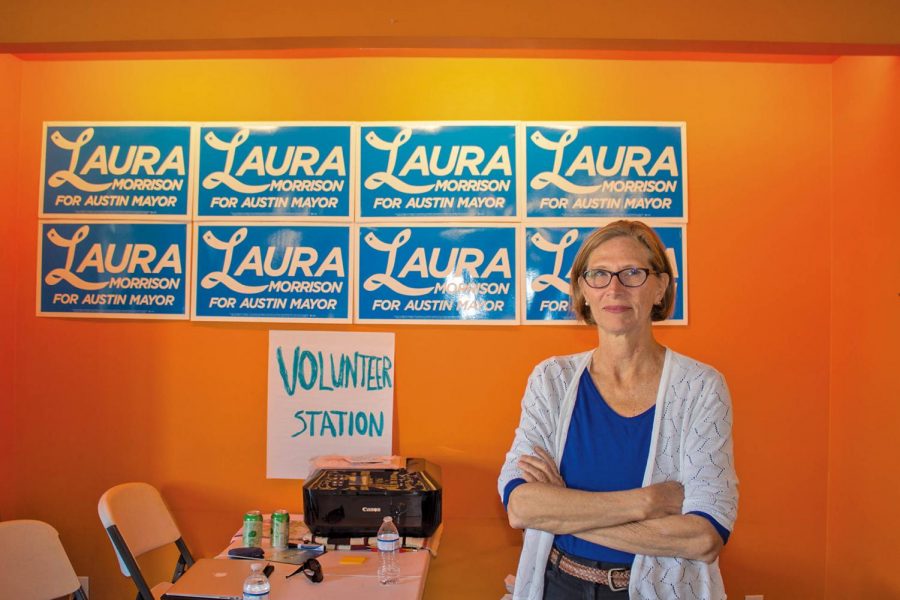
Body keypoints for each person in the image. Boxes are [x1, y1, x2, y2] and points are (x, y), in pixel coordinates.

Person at [499, 220, 738, 599]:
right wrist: (645, 502)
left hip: (660, 590)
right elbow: (521, 505)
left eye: (632, 272)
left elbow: (704, 537)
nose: (614, 288)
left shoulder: (700, 387)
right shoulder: (552, 380)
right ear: (583, 290)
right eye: (598, 274)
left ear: (660, 287)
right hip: (557, 586)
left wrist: (562, 510)